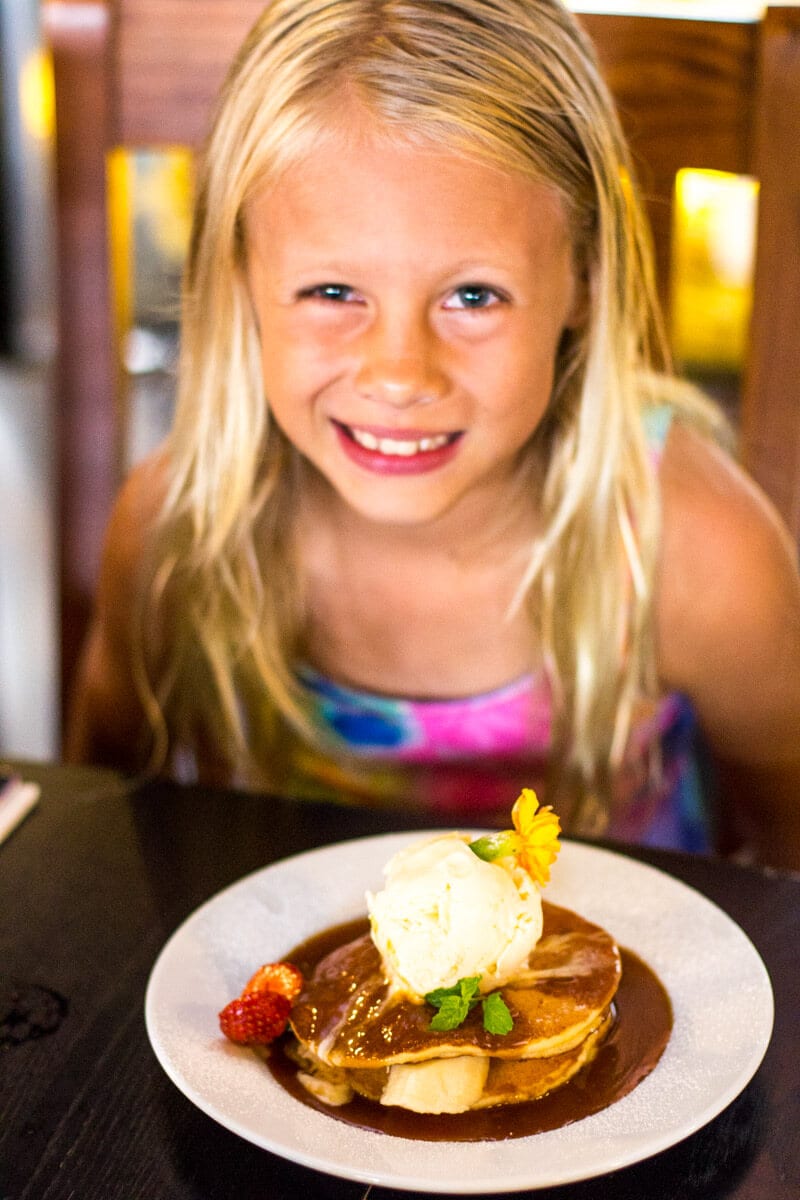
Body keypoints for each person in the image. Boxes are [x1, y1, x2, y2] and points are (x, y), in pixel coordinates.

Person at [66, 0, 800, 868]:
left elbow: (785, 856)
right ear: (239, 282)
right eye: (333, 293)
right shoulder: (176, 535)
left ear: (584, 283)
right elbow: (94, 831)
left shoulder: (689, 551)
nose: (400, 374)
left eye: (473, 296)